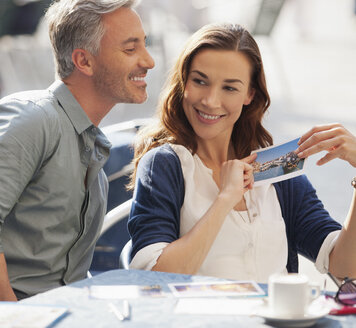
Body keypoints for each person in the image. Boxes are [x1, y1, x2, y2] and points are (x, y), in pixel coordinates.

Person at [0, 0, 154, 326]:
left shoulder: (89, 147)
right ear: (83, 60)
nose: (148, 61)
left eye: (144, 45)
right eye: (130, 48)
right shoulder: (29, 118)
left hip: (45, 312)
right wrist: (18, 320)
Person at [127, 23, 356, 283]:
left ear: (250, 94)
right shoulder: (165, 165)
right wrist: (225, 199)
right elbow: (151, 279)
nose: (211, 101)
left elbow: (345, 267)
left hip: (276, 322)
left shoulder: (276, 168)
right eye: (200, 81)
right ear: (184, 83)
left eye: (229, 88)